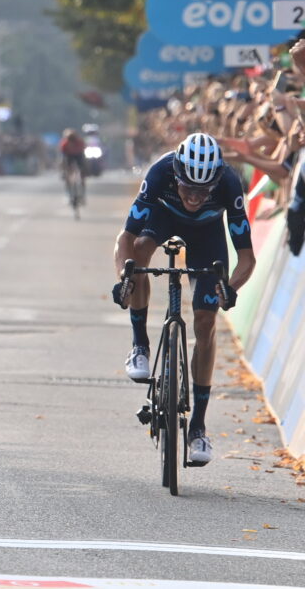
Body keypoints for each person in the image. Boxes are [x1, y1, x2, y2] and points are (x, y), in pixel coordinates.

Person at [112, 132, 255, 465]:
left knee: (205, 322)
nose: (194, 196)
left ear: (215, 182)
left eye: (203, 191)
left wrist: (230, 288)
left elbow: (246, 258)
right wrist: (124, 278)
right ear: (176, 175)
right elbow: (125, 238)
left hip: (208, 234)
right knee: (139, 254)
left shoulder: (229, 184)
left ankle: (198, 429)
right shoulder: (160, 172)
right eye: (188, 188)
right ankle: (140, 345)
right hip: (163, 219)